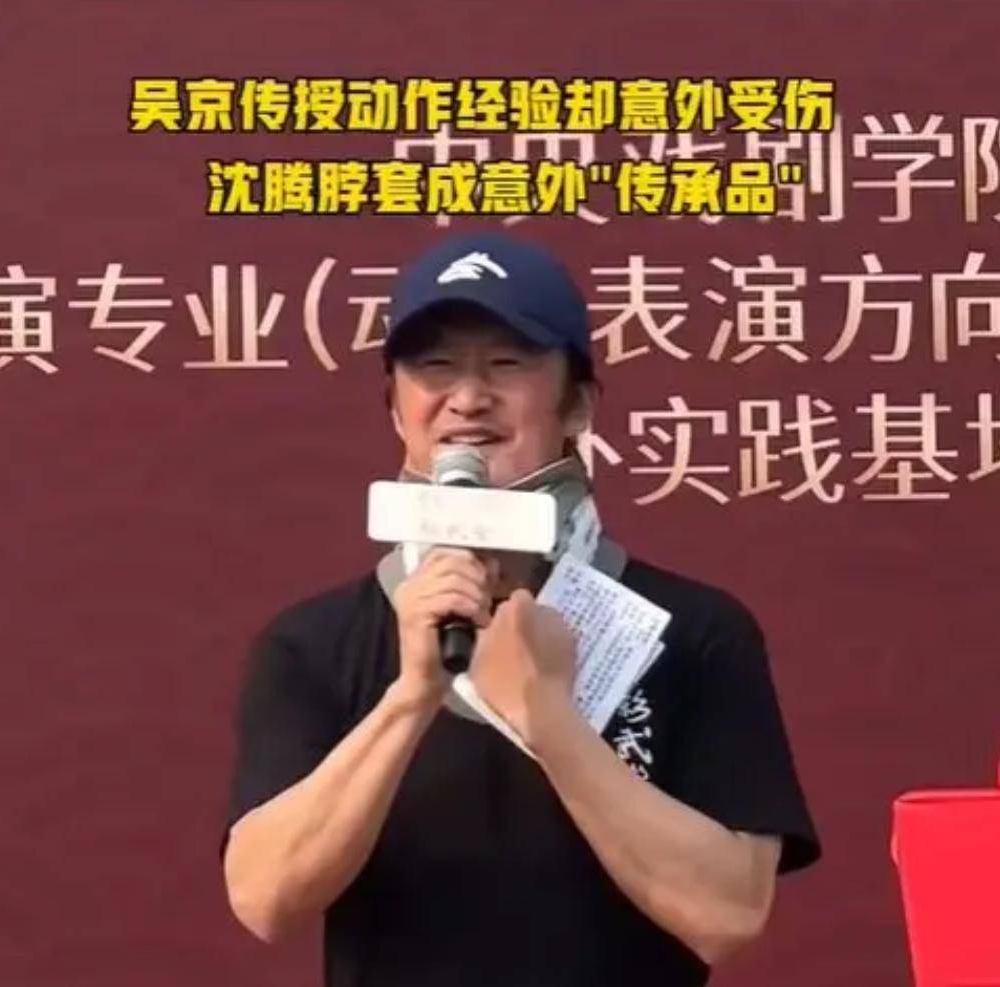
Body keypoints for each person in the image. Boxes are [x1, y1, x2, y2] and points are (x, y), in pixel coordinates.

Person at [220, 232, 821, 987]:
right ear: (396, 409)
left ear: (578, 403)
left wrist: (549, 718)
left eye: (507, 363)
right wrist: (411, 695)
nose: (468, 398)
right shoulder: (313, 642)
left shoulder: (693, 630)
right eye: (435, 367)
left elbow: (728, 915)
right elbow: (264, 899)